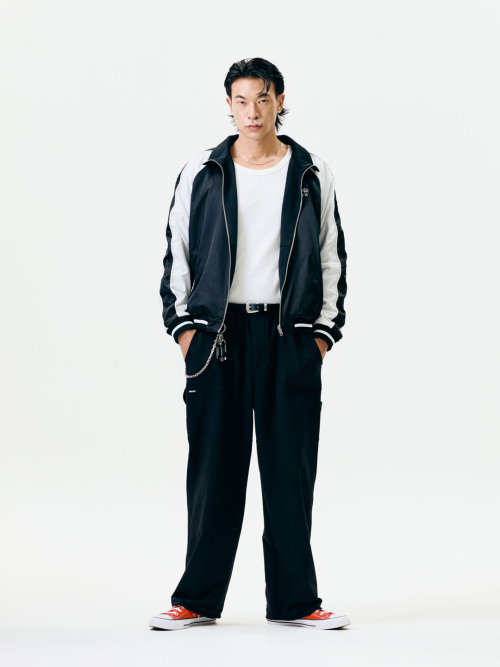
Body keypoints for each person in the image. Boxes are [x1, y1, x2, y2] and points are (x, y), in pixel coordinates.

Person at [150, 57, 349, 631]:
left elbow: (332, 256)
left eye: (262, 98)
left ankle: (296, 602)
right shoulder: (203, 170)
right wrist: (186, 332)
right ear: (229, 106)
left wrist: (320, 337)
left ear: (280, 100)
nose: (252, 111)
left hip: (290, 337)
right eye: (241, 100)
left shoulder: (310, 171)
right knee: (214, 472)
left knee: (290, 473)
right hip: (217, 337)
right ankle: (195, 600)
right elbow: (177, 253)